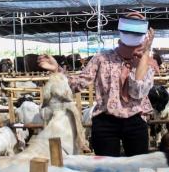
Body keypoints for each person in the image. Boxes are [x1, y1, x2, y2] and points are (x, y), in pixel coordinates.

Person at [38, 12, 158, 157]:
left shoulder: (148, 63)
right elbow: (77, 84)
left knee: (138, 169)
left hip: (135, 120)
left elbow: (137, 92)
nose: (132, 32)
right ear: (121, 29)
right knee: (104, 170)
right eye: (129, 26)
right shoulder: (102, 58)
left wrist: (145, 54)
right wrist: (57, 70)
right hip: (106, 122)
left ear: (146, 34)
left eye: (137, 27)